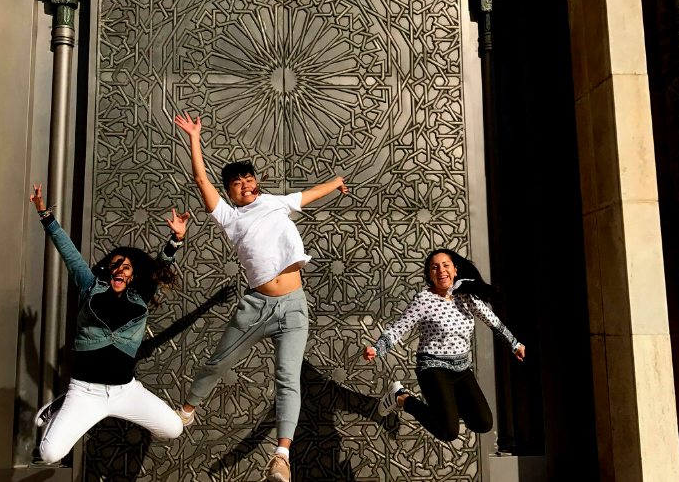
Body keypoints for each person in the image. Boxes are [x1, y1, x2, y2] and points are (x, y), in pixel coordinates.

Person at [173, 112, 348, 482]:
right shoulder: (227, 216)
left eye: (248, 179)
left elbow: (310, 194)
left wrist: (336, 183)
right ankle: (187, 408)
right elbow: (200, 178)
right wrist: (194, 137)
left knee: (287, 378)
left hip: (294, 307)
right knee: (218, 362)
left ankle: (281, 457)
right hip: (256, 307)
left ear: (257, 182)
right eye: (236, 183)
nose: (244, 185)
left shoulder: (277, 202)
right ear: (230, 191)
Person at [28, 183, 189, 464]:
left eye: (126, 267)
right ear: (107, 270)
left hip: (125, 391)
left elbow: (160, 269)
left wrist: (174, 240)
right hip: (85, 391)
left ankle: (62, 405)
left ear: (131, 275)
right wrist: (45, 215)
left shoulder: (140, 296)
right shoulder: (90, 286)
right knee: (50, 454)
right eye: (115, 265)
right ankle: (63, 404)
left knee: (174, 428)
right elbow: (69, 253)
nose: (119, 269)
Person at [363, 249, 525, 442]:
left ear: (455, 270)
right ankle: (401, 397)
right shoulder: (423, 300)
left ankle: (447, 408)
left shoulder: (466, 297)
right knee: (449, 432)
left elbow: (493, 322)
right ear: (430, 275)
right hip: (433, 368)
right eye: (435, 267)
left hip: (462, 369)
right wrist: (377, 348)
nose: (441, 270)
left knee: (483, 423)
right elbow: (398, 328)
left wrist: (515, 344)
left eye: (445, 265)